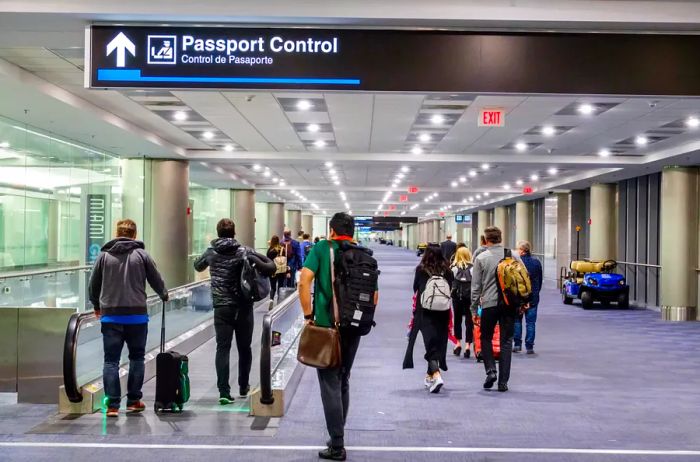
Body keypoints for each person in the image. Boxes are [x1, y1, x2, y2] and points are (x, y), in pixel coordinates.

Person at [299, 212, 378, 461]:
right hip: (354, 326)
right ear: (352, 232)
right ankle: (337, 436)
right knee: (344, 378)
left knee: (329, 383)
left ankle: (337, 444)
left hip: (327, 326)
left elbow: (304, 282)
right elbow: (374, 296)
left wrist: (308, 315)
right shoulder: (364, 255)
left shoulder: (323, 248)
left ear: (332, 230)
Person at [89, 219, 168, 418]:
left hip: (111, 317)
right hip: (137, 316)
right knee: (136, 358)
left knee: (111, 362)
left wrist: (97, 306)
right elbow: (156, 279)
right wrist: (164, 294)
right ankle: (133, 401)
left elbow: (94, 284)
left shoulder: (104, 256)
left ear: (117, 233)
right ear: (134, 234)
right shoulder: (141, 255)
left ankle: (113, 405)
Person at [194, 219, 276, 404]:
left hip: (221, 306)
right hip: (243, 305)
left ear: (217, 232)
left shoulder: (210, 252)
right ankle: (243, 385)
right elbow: (269, 266)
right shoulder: (244, 251)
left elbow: (197, 266)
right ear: (234, 232)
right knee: (244, 348)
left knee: (222, 348)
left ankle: (223, 392)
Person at [471, 226, 519, 392]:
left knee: (486, 338)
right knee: (506, 341)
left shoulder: (481, 258)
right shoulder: (513, 255)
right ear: (500, 237)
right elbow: (522, 280)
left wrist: (473, 309)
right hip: (509, 305)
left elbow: (476, 287)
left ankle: (491, 370)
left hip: (489, 304)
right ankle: (503, 382)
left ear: (486, 240)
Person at [413, 245, 453, 394]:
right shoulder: (447, 269)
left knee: (429, 344)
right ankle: (430, 375)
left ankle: (436, 374)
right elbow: (451, 287)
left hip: (425, 311)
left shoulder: (421, 269)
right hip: (443, 310)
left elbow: (415, 287)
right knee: (439, 342)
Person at [514, 240, 543, 354]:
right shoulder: (537, 262)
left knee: (517, 321)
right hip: (533, 297)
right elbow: (539, 281)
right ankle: (529, 346)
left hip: (519, 297)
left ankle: (517, 345)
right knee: (530, 323)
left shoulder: (516, 263)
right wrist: (536, 292)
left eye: (517, 249)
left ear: (522, 250)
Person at [451, 246, 474, 358]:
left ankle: (458, 343)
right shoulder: (473, 268)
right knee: (469, 321)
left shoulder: (454, 268)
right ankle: (468, 346)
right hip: (469, 298)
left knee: (457, 320)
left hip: (457, 297)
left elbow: (450, 283)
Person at [266, 235, 286, 308]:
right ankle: (279, 302)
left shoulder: (270, 250)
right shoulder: (282, 249)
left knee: (273, 287)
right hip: (281, 270)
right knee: (280, 286)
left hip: (272, 270)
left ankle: (271, 299)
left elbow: (267, 260)